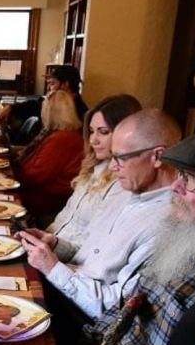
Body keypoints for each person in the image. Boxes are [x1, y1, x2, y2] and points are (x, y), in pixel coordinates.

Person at [64, 131, 195, 345]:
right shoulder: (186, 239)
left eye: (191, 180)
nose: (176, 187)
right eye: (180, 175)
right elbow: (129, 304)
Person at [18, 109, 180, 327]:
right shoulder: (124, 192)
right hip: (61, 285)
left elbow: (117, 309)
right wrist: (54, 244)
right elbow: (87, 252)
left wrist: (52, 267)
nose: (112, 166)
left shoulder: (168, 224)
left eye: (120, 158)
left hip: (77, 320)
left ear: (158, 156)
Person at [47, 94, 142, 247]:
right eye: (91, 131)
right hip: (52, 246)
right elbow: (64, 218)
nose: (93, 140)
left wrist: (51, 245)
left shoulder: (123, 183)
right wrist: (41, 236)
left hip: (66, 257)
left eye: (103, 132)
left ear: (124, 134)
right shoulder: (94, 167)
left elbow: (92, 246)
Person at [13, 90, 85, 221]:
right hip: (44, 193)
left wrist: (10, 174)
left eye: (44, 109)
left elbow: (34, 177)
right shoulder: (64, 133)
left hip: (46, 198)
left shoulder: (62, 138)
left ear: (50, 112)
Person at [0, 64, 89, 142]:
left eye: (52, 83)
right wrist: (11, 108)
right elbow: (34, 105)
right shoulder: (55, 103)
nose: (49, 88)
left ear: (65, 84)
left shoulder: (79, 112)